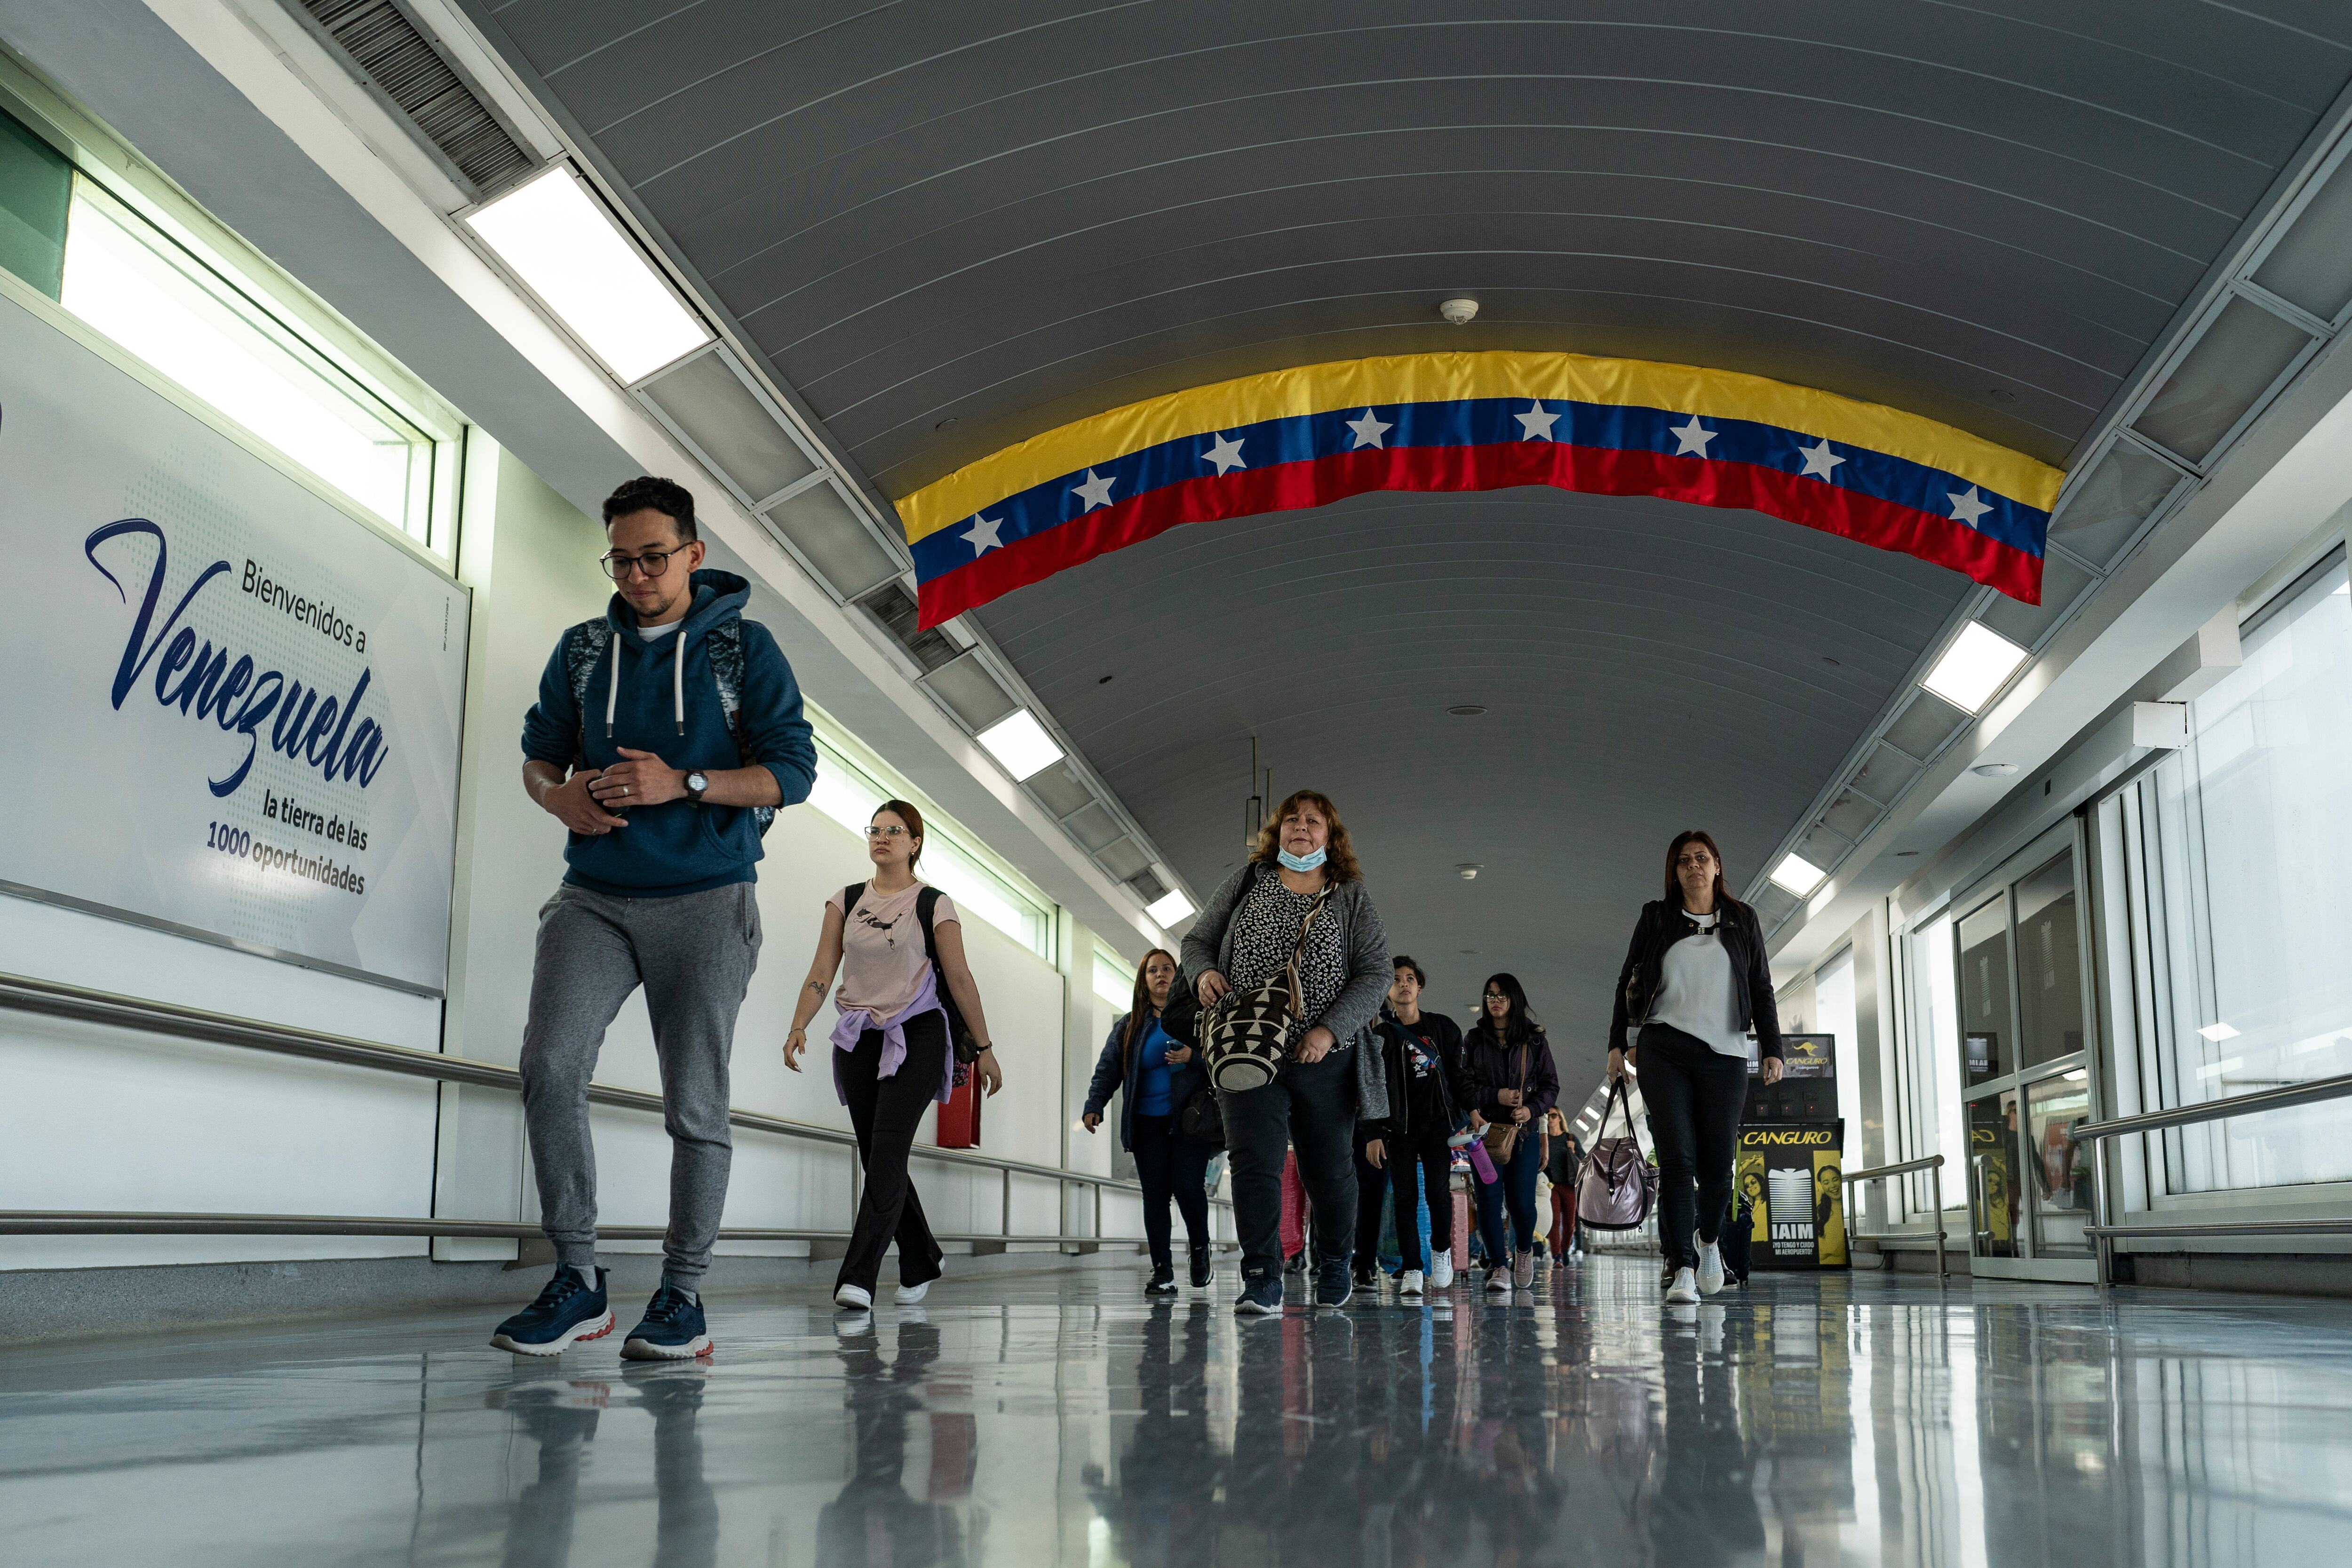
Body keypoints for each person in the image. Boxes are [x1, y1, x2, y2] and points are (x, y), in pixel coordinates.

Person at [494, 476, 816, 1360]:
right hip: (594, 894)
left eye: (654, 557)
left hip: (708, 898)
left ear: (694, 554)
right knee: (550, 1064)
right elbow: (537, 755)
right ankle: (579, 1278)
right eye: (622, 559)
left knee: (695, 1102)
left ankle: (682, 1294)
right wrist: (554, 795)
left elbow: (793, 771)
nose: (637, 575)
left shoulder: (743, 651)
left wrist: (689, 781)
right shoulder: (584, 650)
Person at [783, 800, 1005, 1310]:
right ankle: (921, 1255)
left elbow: (960, 978)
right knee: (879, 1157)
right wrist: (799, 1024)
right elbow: (821, 970)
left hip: (918, 1034)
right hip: (858, 1037)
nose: (882, 837)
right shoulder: (845, 900)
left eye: (894, 830)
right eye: (876, 829)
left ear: (915, 843)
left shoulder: (934, 904)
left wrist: (986, 1049)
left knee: (885, 1152)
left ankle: (857, 1277)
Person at [1181, 790, 1392, 1314]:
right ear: (1278, 833)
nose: (1301, 827)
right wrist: (1203, 972)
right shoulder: (1247, 882)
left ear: (1330, 836)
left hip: (1324, 1055)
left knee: (1329, 1170)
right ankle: (1261, 1278)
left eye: (1313, 821)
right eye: (1292, 820)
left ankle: (1336, 1258)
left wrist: (1328, 1031)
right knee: (1254, 1163)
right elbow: (1196, 941)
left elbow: (1375, 973)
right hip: (1247, 1048)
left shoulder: (1350, 897)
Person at [1608, 829, 1785, 1306]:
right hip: (1662, 1046)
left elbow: (1761, 985)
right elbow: (1628, 978)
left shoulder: (1742, 919)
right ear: (1674, 871)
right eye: (1683, 860)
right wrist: (1616, 1044)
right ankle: (1683, 1265)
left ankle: (1709, 1243)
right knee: (1677, 1159)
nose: (1693, 866)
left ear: (1717, 866)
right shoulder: (1657, 917)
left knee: (1717, 1167)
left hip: (1725, 1052)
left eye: (1701, 858)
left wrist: (1772, 1048)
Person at [1083, 948, 1214, 1294]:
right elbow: (1108, 1068)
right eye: (1153, 970)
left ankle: (1200, 1252)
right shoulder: (1130, 1026)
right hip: (1146, 1124)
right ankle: (1163, 1271)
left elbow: (1222, 1059)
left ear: (1178, 976)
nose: (1161, 975)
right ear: (1144, 981)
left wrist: (1193, 1056)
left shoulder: (1197, 1019)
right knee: (1155, 1195)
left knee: (1188, 1188)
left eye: (1168, 968)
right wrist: (1095, 1103)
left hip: (1188, 1122)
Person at [1359, 955, 1466, 1297]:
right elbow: (1372, 1086)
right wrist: (1374, 1133)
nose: (1403, 984)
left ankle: (1441, 1251)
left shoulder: (1443, 1028)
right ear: (1387, 990)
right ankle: (1413, 1268)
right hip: (1399, 1129)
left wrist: (1473, 1111)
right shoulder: (1380, 1035)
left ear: (1420, 987)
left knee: (1437, 1193)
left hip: (1437, 1126)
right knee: (1405, 1198)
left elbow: (1460, 1077)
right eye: (1396, 979)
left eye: (1410, 978)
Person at [1462, 973, 1560, 1297]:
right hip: (1486, 1136)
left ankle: (1522, 1250)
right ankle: (1498, 1264)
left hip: (1524, 1135)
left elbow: (1550, 1085)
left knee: (1521, 1202)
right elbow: (1465, 1086)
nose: (1495, 1000)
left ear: (1514, 999)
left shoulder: (1534, 1041)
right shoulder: (1475, 1040)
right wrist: (1497, 1097)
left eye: (1502, 994)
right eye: (1490, 994)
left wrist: (1531, 1110)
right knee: (1489, 1201)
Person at [1544, 1113, 1582, 1263]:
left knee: (1570, 1223)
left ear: (1560, 1118)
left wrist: (1573, 1151)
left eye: (1554, 1115)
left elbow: (1583, 1160)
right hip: (1551, 1185)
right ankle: (1557, 1256)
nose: (1550, 1119)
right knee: (1554, 1221)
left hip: (1569, 1185)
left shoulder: (1570, 1138)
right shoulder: (1544, 1140)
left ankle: (1565, 1249)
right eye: (1548, 1116)